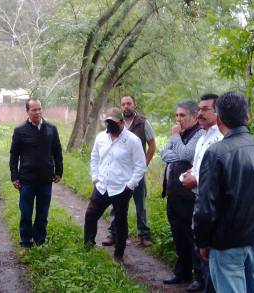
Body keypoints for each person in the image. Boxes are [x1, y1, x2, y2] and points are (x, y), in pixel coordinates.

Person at [194, 92, 254, 293]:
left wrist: (203, 242)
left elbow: (206, 208)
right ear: (247, 117)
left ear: (219, 119)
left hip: (227, 243)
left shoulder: (216, 153)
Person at [84, 108, 146, 262]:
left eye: (114, 122)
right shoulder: (101, 137)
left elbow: (140, 165)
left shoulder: (132, 140)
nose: (110, 125)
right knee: (90, 215)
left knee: (120, 221)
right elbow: (94, 157)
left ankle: (119, 254)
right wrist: (95, 177)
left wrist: (130, 185)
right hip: (102, 185)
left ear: (122, 122)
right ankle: (88, 245)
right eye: (108, 122)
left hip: (121, 188)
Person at [181, 94, 222, 292]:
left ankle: (208, 285)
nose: (200, 113)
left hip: (211, 203)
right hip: (198, 199)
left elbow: (216, 175)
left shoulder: (219, 138)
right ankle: (200, 280)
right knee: (200, 243)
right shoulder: (202, 138)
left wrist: (195, 179)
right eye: (199, 109)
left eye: (206, 109)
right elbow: (197, 166)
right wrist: (190, 174)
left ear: (217, 112)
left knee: (209, 250)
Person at [102, 95, 156, 247]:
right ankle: (113, 233)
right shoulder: (115, 123)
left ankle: (144, 235)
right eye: (123, 104)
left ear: (134, 105)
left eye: (129, 103)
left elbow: (152, 145)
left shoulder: (143, 123)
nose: (126, 106)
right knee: (116, 203)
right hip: (119, 173)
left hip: (137, 173)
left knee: (140, 204)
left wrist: (144, 165)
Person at [9, 98, 63, 247]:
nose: (37, 112)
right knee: (26, 213)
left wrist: (59, 171)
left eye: (39, 109)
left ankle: (40, 241)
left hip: (46, 179)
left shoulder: (51, 129)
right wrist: (14, 176)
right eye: (34, 110)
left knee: (42, 214)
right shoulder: (20, 131)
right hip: (26, 180)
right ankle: (26, 242)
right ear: (27, 111)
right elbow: (14, 155)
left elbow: (57, 151)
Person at [161, 100, 204, 285]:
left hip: (188, 196)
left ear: (194, 116)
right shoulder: (180, 133)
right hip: (173, 194)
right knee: (177, 234)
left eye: (182, 115)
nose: (178, 119)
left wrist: (176, 139)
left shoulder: (199, 134)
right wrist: (179, 150)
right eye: (176, 115)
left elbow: (188, 154)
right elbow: (164, 153)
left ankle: (198, 277)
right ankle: (182, 273)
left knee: (190, 236)